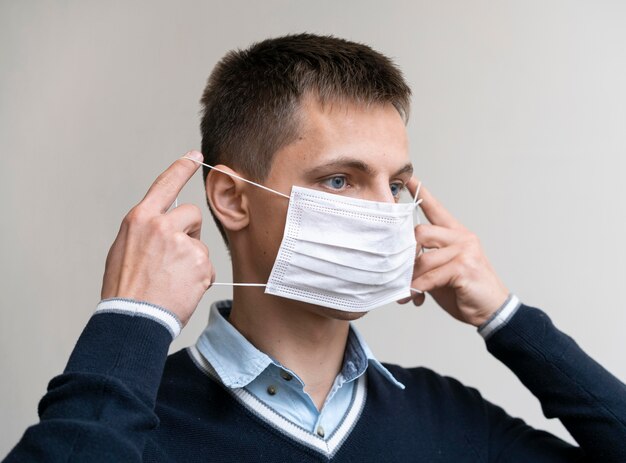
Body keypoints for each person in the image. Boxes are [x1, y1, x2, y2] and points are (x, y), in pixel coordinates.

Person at [4, 33, 626, 463]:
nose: (388, 214)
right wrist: (130, 323)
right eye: (340, 179)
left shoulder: (445, 416)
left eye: (398, 184)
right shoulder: (131, 417)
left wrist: (508, 320)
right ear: (232, 198)